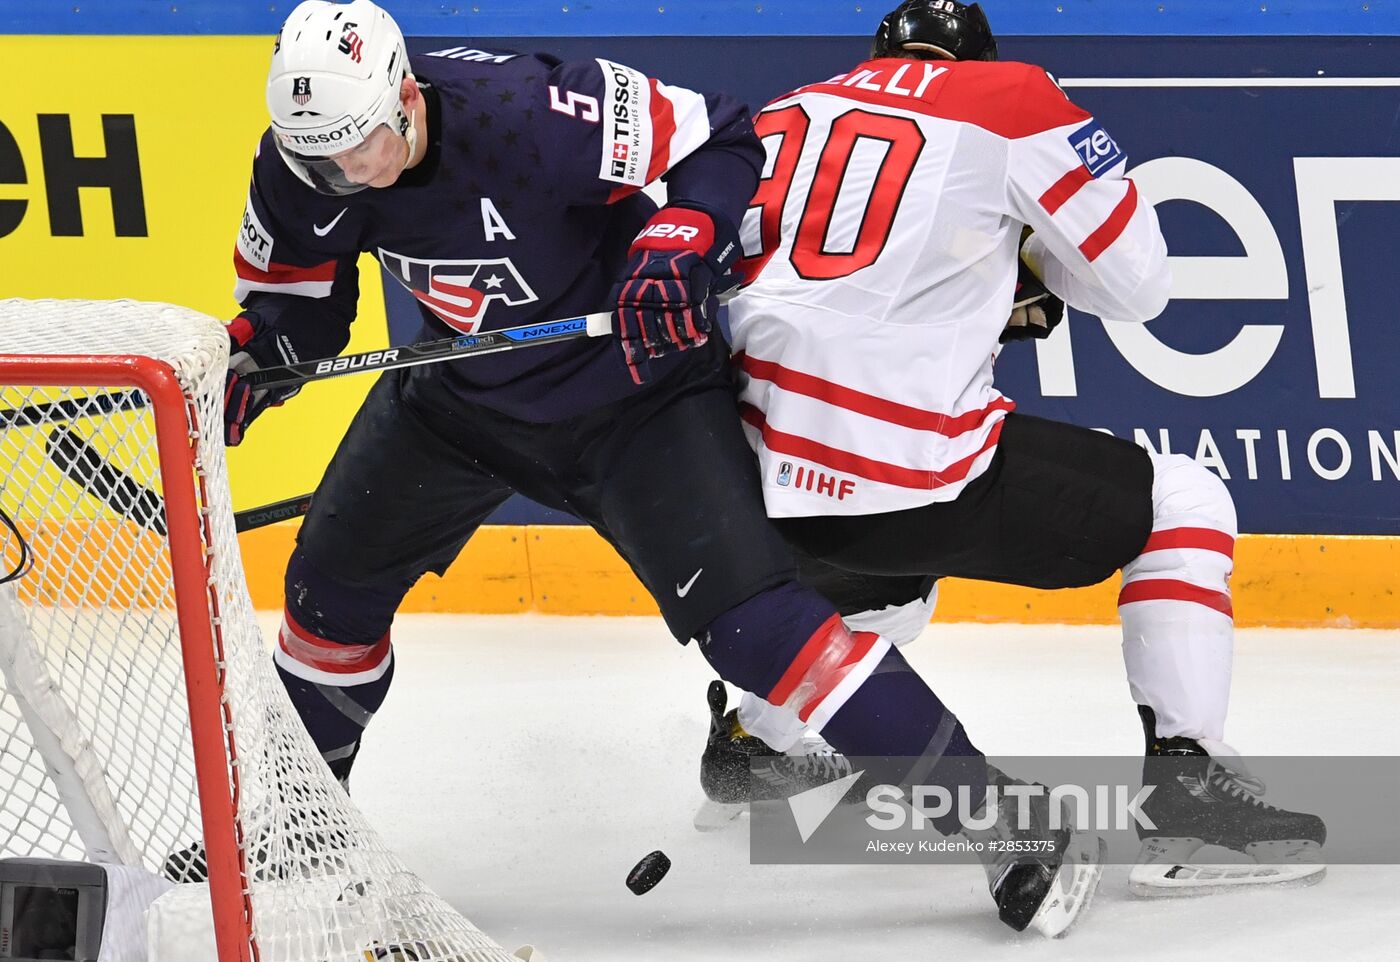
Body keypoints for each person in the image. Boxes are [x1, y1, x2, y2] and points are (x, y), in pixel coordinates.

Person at [224, 0, 1102, 938]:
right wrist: (254, 357)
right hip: (462, 398)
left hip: (637, 400)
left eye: (360, 148)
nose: (343, 175)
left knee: (760, 634)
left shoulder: (531, 111)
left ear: (406, 95)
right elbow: (296, 304)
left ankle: (1006, 819)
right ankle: (295, 834)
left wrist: (677, 245)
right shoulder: (301, 159)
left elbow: (723, 137)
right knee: (325, 596)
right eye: (322, 159)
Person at [702, 0, 1326, 896]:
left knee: (889, 575)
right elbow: (1139, 286)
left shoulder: (789, 108)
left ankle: (754, 750)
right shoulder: (1010, 95)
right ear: (982, 56)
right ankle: (1193, 807)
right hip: (899, 474)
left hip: (744, 475)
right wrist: (1030, 256)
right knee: (1184, 501)